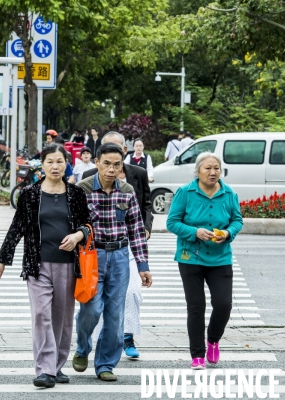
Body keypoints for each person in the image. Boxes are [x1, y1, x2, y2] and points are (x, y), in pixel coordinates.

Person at [0, 143, 91, 388]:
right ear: (43, 165)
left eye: (60, 161)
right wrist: (2, 259)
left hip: (68, 264)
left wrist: (78, 235)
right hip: (37, 264)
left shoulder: (76, 194)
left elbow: (88, 225)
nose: (55, 166)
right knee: (40, 315)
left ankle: (57, 366)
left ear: (66, 163)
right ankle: (45, 370)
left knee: (63, 319)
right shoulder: (30, 194)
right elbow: (17, 227)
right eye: (50, 161)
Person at [73, 143, 152, 382]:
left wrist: (142, 266)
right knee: (91, 308)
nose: (111, 169)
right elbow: (73, 226)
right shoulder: (82, 189)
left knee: (115, 314)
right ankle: (83, 347)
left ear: (122, 166)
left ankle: (105, 363)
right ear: (97, 162)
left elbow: (137, 230)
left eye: (116, 164)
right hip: (91, 257)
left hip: (119, 256)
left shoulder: (127, 191)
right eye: (106, 163)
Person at [166, 152, 243, 370]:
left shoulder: (229, 194)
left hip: (220, 257)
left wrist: (227, 234)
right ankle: (197, 354)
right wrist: (195, 232)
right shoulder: (185, 192)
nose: (212, 172)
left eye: (216, 168)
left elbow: (237, 220)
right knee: (196, 306)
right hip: (190, 256)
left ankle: (213, 340)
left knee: (224, 304)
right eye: (208, 168)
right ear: (198, 171)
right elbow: (172, 223)